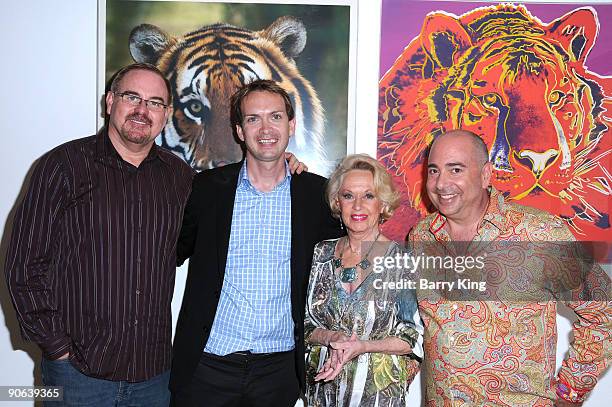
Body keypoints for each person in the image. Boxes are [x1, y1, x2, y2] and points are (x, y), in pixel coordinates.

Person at [5, 63, 194, 405]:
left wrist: (278, 164)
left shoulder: (179, 177)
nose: (142, 110)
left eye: (154, 103)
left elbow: (194, 240)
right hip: (77, 375)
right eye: (131, 97)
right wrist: (56, 348)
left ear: (165, 114)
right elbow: (24, 264)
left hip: (153, 378)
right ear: (110, 102)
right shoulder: (63, 165)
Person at [169, 79, 343, 406]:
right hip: (208, 365)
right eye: (253, 119)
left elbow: (353, 253)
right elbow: (171, 251)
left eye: (275, 117)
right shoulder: (207, 190)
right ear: (239, 130)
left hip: (278, 370)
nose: (265, 128)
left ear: (291, 125)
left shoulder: (317, 196)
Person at [408, 129, 610, 406]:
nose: (441, 183)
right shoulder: (421, 236)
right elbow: (417, 324)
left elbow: (604, 312)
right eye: (434, 170)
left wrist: (570, 392)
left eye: (455, 169)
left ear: (485, 175)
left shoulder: (539, 233)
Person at [304, 154, 424, 406]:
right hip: (323, 395)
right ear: (338, 203)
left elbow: (411, 338)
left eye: (368, 196)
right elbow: (303, 326)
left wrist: (362, 346)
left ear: (382, 204)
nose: (357, 206)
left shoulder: (403, 261)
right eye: (348, 196)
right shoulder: (320, 254)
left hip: (378, 397)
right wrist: (330, 337)